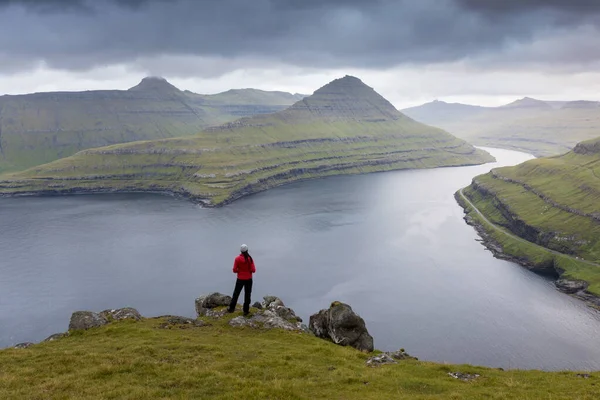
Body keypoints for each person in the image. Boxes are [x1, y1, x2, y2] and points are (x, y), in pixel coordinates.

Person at [227, 244, 256, 315]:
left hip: (240, 279)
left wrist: (239, 271)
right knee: (247, 294)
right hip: (248, 279)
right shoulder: (250, 259)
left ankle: (231, 308)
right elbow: (253, 270)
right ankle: (246, 311)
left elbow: (234, 270)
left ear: (241, 251)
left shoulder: (237, 259)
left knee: (236, 294)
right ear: (247, 250)